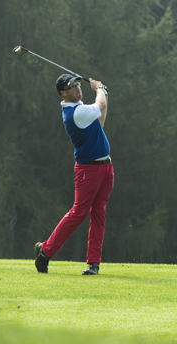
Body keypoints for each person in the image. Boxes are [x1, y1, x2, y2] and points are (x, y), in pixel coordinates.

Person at [34, 74, 114, 275]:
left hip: (105, 168)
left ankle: (93, 264)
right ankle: (45, 251)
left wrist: (102, 93)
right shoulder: (75, 113)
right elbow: (100, 106)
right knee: (79, 213)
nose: (78, 89)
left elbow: (100, 121)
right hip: (88, 170)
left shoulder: (83, 111)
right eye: (72, 87)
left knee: (99, 213)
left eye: (78, 85)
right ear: (63, 93)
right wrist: (98, 89)